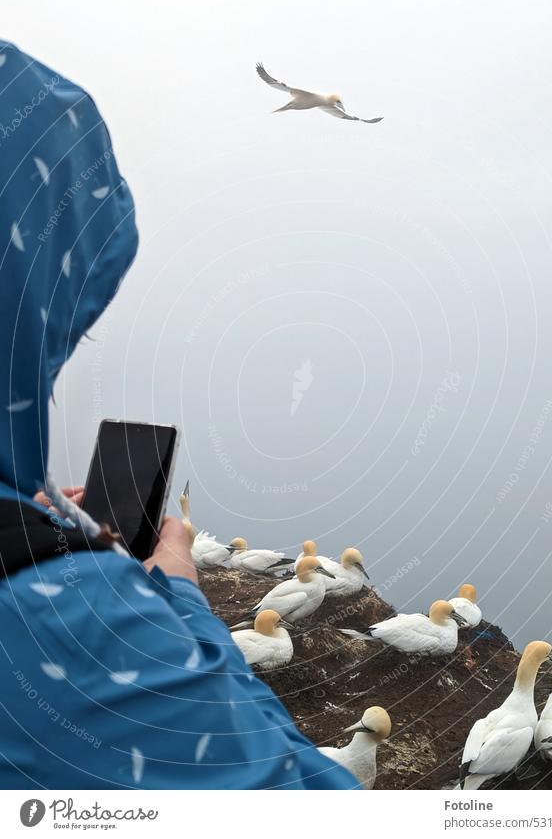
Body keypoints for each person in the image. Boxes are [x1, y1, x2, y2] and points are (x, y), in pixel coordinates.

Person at [0, 41, 357, 790]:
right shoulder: (63, 624)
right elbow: (284, 784)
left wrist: (29, 528)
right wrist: (178, 597)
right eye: (66, 319)